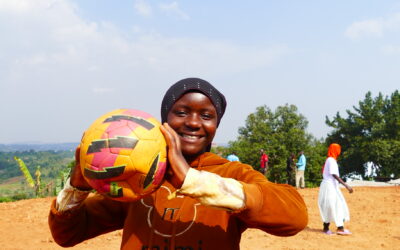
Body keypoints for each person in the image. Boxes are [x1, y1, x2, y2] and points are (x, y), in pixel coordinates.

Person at [48, 78, 308, 249]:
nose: (194, 122)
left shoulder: (231, 173)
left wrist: (192, 180)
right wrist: (77, 187)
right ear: (164, 119)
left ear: (216, 126)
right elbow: (67, 234)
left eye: (207, 115)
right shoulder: (138, 179)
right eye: (181, 112)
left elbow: (294, 217)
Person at [318, 143, 353, 235]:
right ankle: (336, 228)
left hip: (331, 186)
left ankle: (336, 228)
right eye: (338, 149)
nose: (339, 151)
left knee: (335, 206)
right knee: (334, 206)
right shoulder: (331, 160)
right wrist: (346, 185)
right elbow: (334, 175)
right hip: (329, 187)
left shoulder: (330, 160)